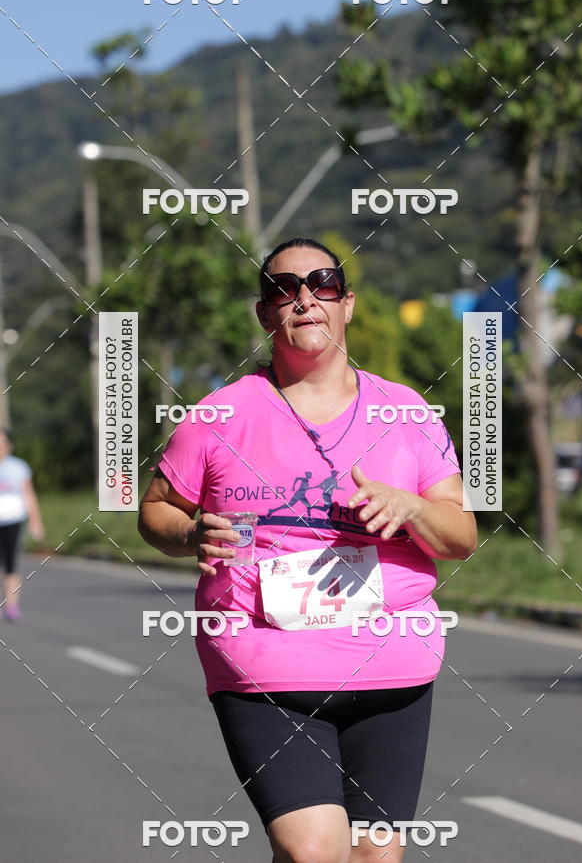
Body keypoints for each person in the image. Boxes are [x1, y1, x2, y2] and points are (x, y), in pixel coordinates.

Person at [139, 237, 477, 863]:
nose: (304, 299)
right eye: (283, 289)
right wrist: (190, 534)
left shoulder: (406, 412)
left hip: (391, 667)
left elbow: (461, 537)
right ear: (265, 313)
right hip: (265, 664)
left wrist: (413, 509)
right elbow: (156, 510)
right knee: (313, 851)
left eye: (321, 285)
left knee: (374, 855)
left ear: (346, 304)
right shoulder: (219, 414)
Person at [0, 428, 45, 621]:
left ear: (9, 445)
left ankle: (11, 606)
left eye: (2, 443)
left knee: (11, 563)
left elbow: (29, 495)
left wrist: (36, 521)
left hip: (13, 521)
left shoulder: (19, 468)